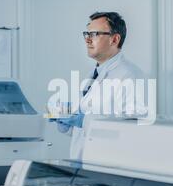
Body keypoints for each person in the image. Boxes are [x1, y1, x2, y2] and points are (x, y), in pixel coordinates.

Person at [52, 12, 146, 160]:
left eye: (95, 34)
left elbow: (132, 128)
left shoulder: (130, 75)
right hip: (83, 162)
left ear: (114, 39)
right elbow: (85, 129)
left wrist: (83, 119)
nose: (88, 40)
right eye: (87, 34)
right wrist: (66, 123)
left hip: (110, 164)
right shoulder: (93, 74)